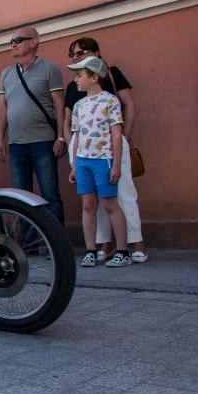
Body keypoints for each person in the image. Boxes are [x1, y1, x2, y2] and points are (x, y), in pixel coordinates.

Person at [64, 37, 146, 263]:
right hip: (83, 149)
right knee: (93, 200)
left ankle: (135, 243)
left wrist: (125, 136)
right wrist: (71, 145)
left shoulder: (111, 73)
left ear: (97, 52)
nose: (75, 57)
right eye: (72, 54)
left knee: (123, 194)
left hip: (112, 144)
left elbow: (128, 104)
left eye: (80, 52)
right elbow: (69, 118)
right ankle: (103, 244)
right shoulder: (74, 85)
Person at [0, 26, 66, 226]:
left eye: (18, 40)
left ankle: (56, 241)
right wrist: (0, 138)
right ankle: (29, 244)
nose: (13, 45)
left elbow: (59, 105)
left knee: (49, 195)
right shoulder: (6, 74)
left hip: (43, 142)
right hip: (16, 144)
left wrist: (60, 137)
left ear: (34, 42)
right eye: (11, 42)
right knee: (21, 197)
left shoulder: (49, 68)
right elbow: (2, 108)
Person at [67, 56, 130, 267]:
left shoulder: (110, 101)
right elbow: (76, 138)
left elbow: (116, 135)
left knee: (111, 204)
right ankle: (91, 250)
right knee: (88, 205)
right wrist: (75, 165)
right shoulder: (79, 105)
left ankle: (122, 250)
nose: (76, 79)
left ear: (94, 77)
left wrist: (116, 165)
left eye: (79, 75)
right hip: (83, 161)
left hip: (103, 160)